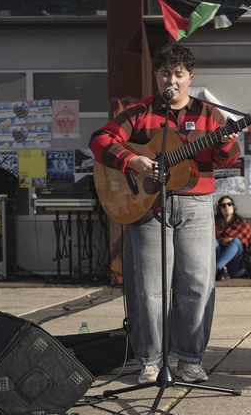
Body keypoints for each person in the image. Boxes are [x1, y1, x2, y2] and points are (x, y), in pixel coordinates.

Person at [90, 43, 240, 385]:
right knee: (147, 288)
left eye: (178, 74)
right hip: (148, 207)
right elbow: (100, 139)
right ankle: (149, 361)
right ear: (157, 77)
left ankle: (189, 359)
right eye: (164, 73)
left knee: (197, 285)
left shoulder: (210, 115)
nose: (170, 79)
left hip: (197, 205)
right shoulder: (140, 112)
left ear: (190, 78)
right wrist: (134, 161)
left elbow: (228, 159)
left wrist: (227, 138)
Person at [214, 195, 251, 280]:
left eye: (229, 204)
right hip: (221, 266)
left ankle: (216, 268)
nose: (226, 207)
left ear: (234, 206)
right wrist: (227, 240)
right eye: (223, 205)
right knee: (213, 241)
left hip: (236, 267)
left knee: (236, 241)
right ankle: (221, 268)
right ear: (219, 208)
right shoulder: (214, 223)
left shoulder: (242, 224)